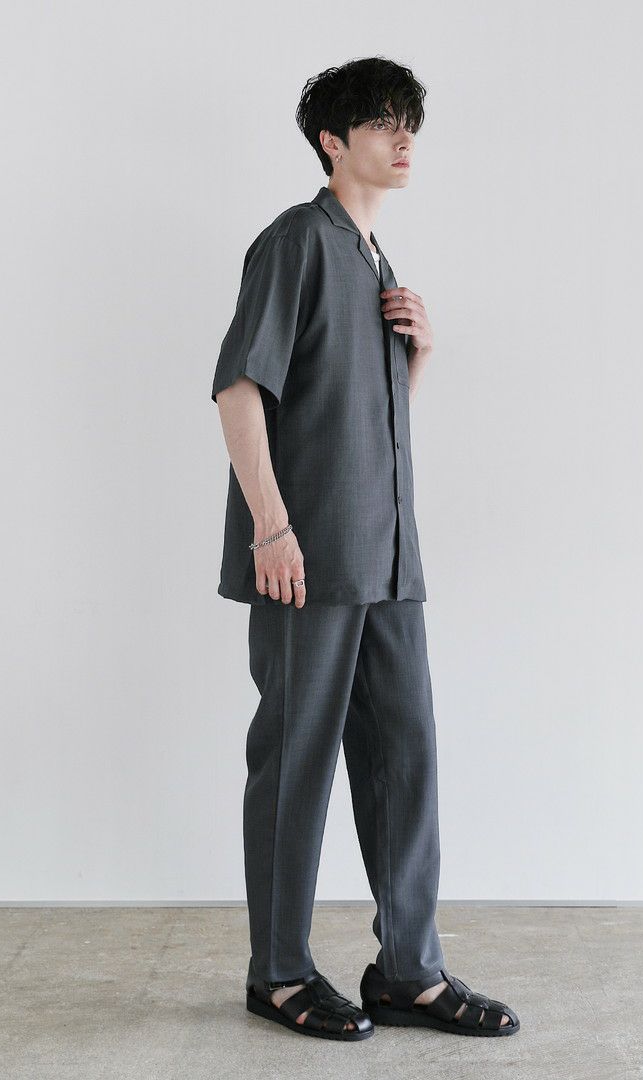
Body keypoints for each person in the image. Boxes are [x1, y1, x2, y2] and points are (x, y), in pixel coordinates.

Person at [210, 56, 520, 1042]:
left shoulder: (378, 265)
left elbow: (362, 423)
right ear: (332, 142)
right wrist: (270, 526)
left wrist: (417, 355)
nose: (403, 139)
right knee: (295, 759)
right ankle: (278, 974)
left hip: (387, 558)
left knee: (405, 757)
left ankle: (408, 972)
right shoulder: (298, 242)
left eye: (408, 123)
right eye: (383, 122)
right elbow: (239, 389)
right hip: (307, 558)